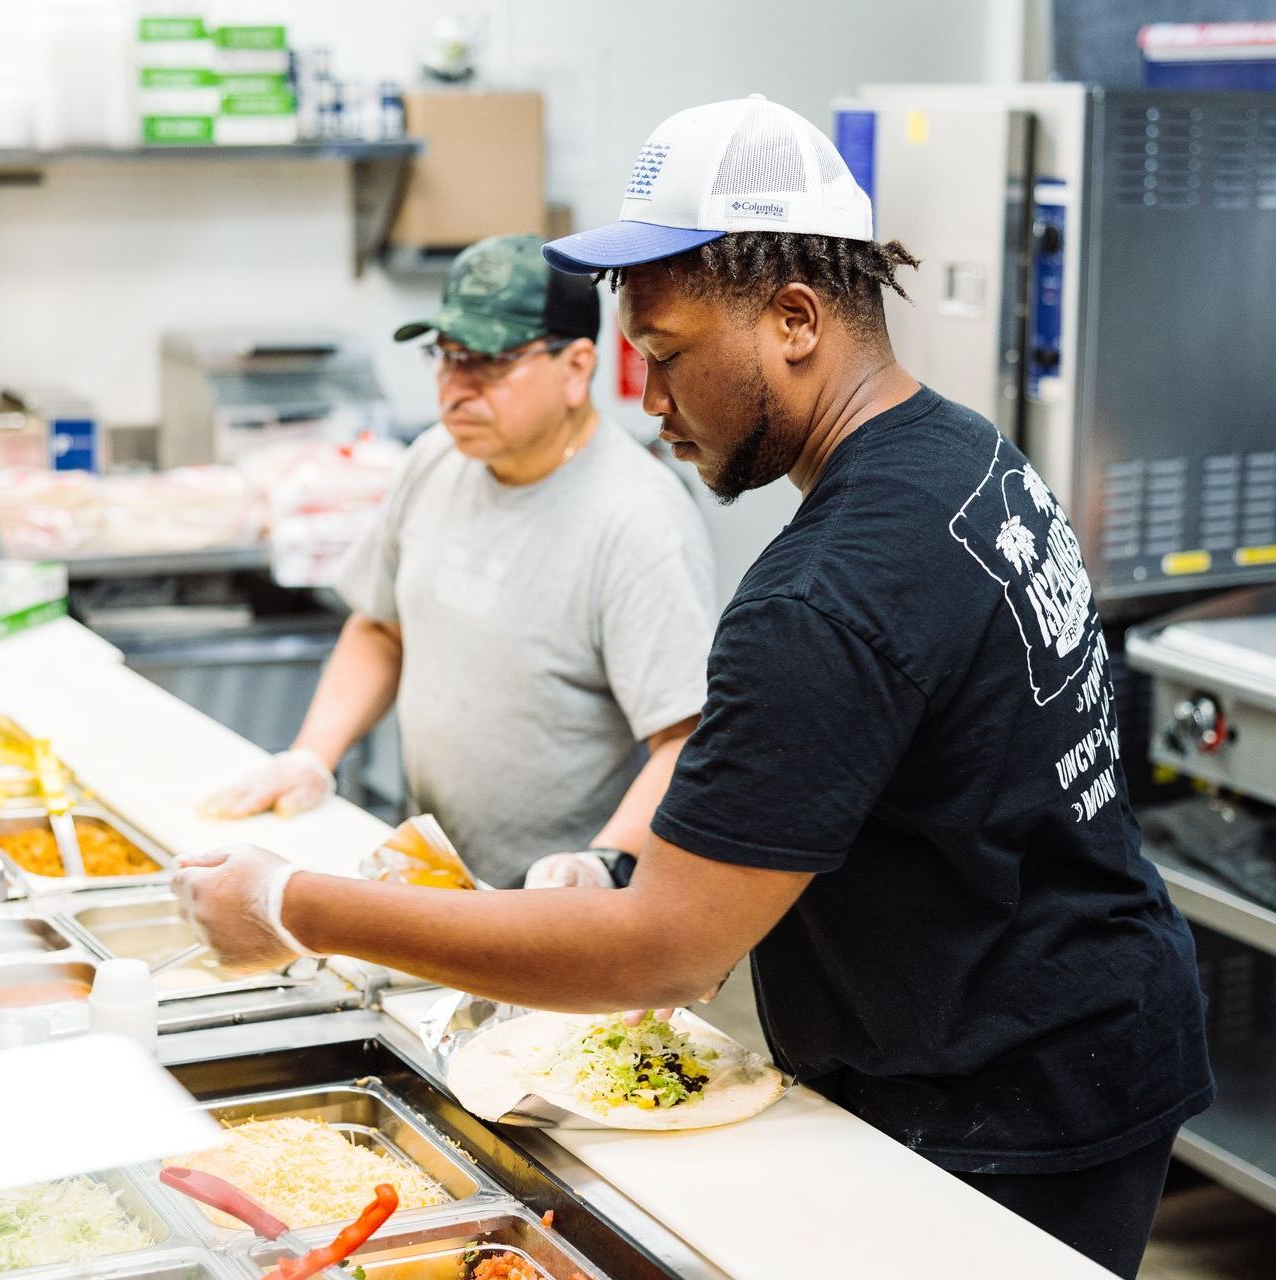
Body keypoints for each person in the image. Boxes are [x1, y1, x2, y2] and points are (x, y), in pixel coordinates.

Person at [176, 99, 1213, 1278]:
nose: (648, 397)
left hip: (1006, 1096)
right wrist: (628, 861)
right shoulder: (961, 451)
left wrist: (292, 902)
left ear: (792, 319)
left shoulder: (820, 595)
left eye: (665, 354)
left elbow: (661, 954)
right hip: (1077, 1009)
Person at [200, 234, 716, 888]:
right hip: (437, 881)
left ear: (577, 368)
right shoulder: (435, 461)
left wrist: (601, 865)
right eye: (445, 357)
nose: (456, 390)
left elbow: (686, 741)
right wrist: (311, 755)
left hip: (565, 909)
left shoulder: (638, 519)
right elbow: (381, 626)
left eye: (489, 362)